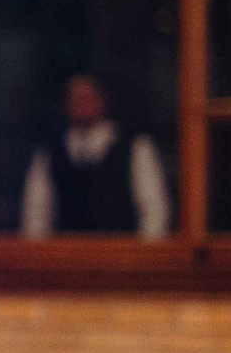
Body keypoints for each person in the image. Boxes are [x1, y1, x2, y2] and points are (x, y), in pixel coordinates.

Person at [22, 72, 169, 239]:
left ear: (102, 99)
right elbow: (36, 210)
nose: (81, 104)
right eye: (74, 99)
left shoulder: (136, 147)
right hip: (66, 255)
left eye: (87, 97)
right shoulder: (50, 151)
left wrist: (144, 257)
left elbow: (153, 208)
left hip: (121, 255)